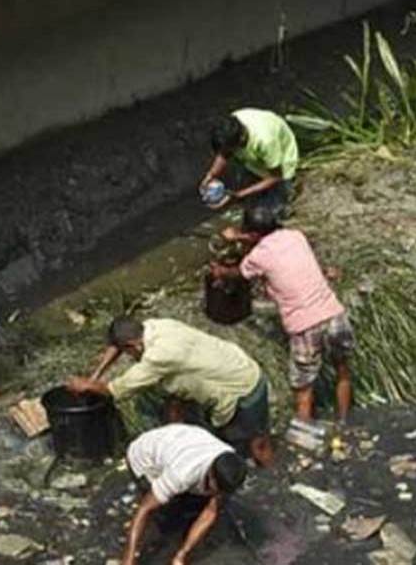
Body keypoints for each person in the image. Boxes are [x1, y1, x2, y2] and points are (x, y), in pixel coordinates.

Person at [210, 205, 355, 424]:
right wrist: (240, 235)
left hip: (305, 325)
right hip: (334, 314)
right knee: (342, 371)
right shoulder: (296, 236)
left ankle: (305, 437)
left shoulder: (258, 256)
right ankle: (344, 422)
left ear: (253, 234)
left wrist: (220, 271)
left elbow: (238, 274)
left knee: (304, 388)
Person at [66, 317, 274, 467]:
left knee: (254, 440)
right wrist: (95, 376)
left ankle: (268, 476)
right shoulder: (156, 326)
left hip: (242, 389)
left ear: (133, 345)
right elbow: (117, 345)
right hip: (238, 364)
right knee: (176, 397)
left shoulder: (159, 357)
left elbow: (116, 390)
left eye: (128, 352)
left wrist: (88, 386)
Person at [120, 423, 246, 565]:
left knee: (191, 509)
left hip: (183, 442)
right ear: (211, 475)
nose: (221, 494)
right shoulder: (181, 474)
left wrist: (182, 555)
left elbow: (211, 510)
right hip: (145, 458)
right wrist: (128, 559)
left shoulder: (230, 463)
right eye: (218, 489)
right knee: (164, 513)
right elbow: (144, 509)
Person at [199, 108, 299, 217]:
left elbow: (276, 176)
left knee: (271, 212)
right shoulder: (232, 125)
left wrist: (240, 195)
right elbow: (224, 154)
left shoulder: (265, 141)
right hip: (257, 158)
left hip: (282, 162)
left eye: (230, 150)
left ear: (240, 140)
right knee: (252, 194)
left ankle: (285, 201)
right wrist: (211, 175)